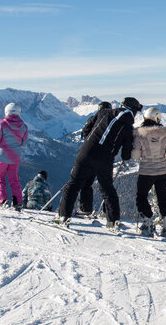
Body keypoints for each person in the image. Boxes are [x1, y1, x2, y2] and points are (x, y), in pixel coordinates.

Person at [54, 97, 142, 230]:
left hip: (86, 152)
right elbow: (126, 154)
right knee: (107, 189)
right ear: (133, 111)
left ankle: (63, 216)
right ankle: (113, 221)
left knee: (74, 183)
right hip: (105, 159)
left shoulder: (104, 113)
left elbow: (87, 129)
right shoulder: (128, 128)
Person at [131, 107, 166, 237]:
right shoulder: (165, 134)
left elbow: (135, 155)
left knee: (141, 196)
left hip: (146, 171)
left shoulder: (140, 134)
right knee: (163, 198)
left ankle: (147, 222)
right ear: (158, 118)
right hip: (163, 171)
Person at [76, 101, 112, 216]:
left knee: (86, 183)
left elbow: (85, 132)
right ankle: (108, 212)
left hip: (89, 154)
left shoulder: (92, 119)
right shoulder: (111, 120)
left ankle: (86, 209)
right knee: (106, 185)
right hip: (105, 156)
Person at [0, 103, 28, 209]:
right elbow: (24, 143)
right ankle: (17, 202)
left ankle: (1, 200)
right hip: (16, 156)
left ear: (7, 111)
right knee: (14, 179)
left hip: (2, 156)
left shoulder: (1, 124)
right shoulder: (24, 126)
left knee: (0, 177)